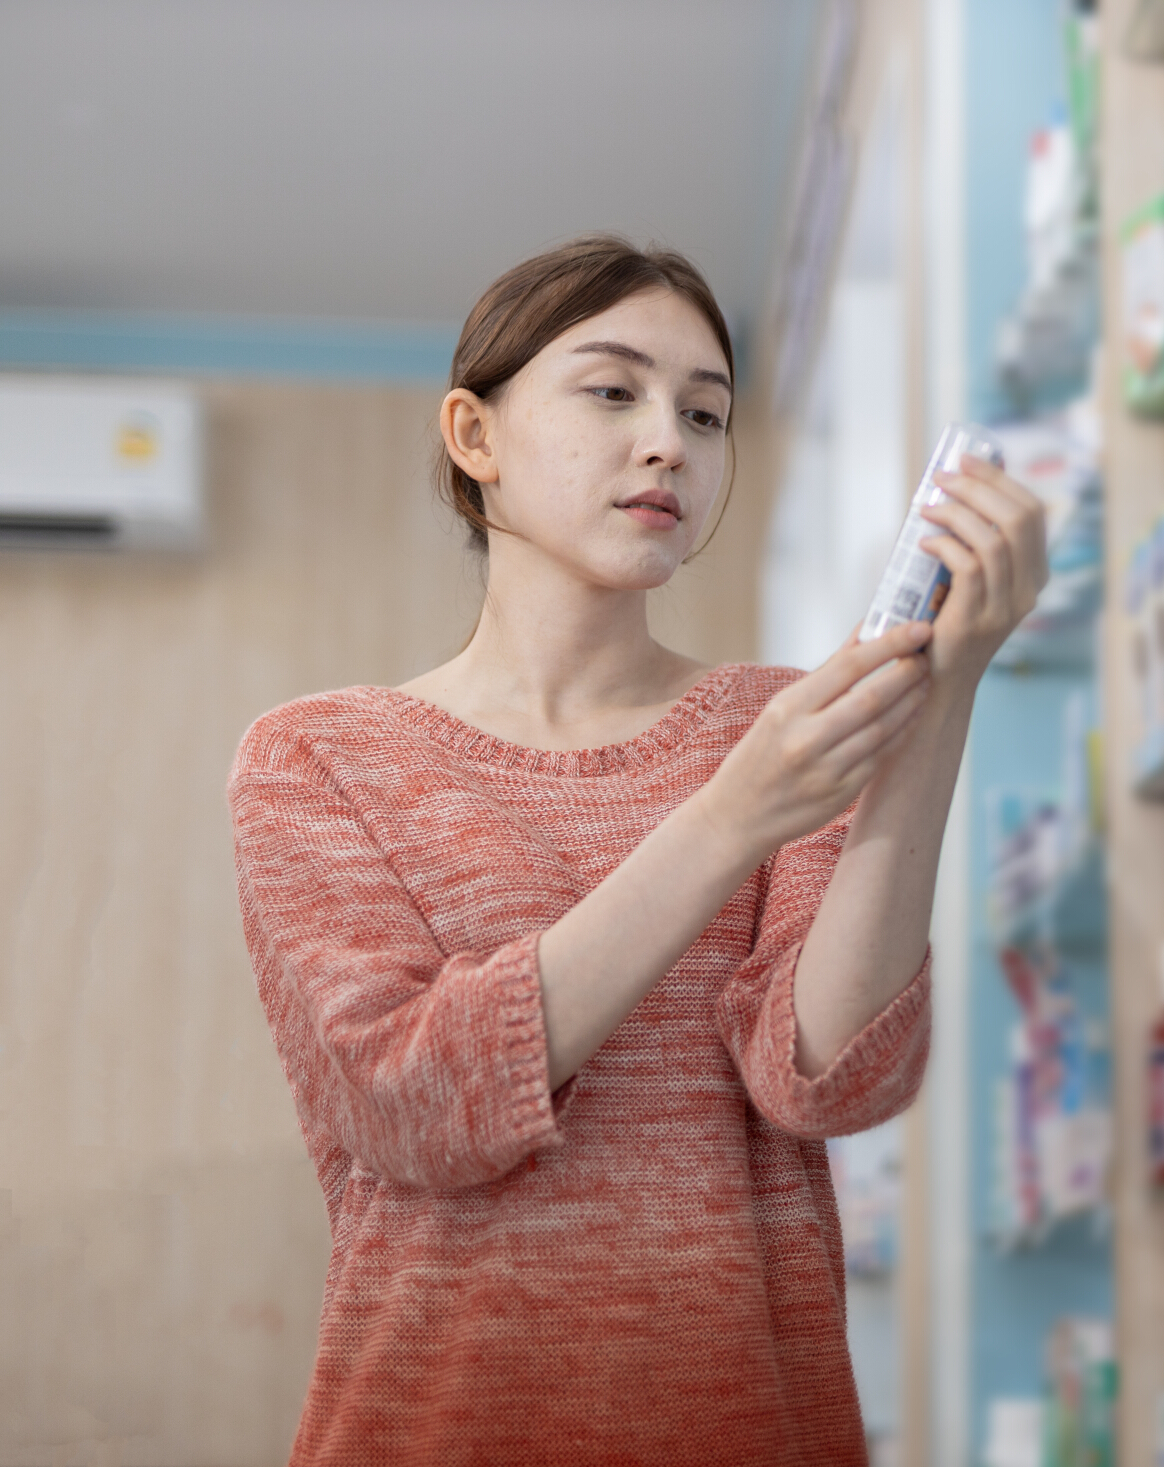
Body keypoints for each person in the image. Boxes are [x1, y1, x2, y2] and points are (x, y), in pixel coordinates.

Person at [227, 235, 1046, 1465]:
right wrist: (727, 822)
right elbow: (413, 1107)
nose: (669, 441)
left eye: (705, 414)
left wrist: (942, 696)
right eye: (612, 392)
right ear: (474, 436)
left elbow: (827, 1079)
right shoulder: (319, 759)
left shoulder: (774, 729)